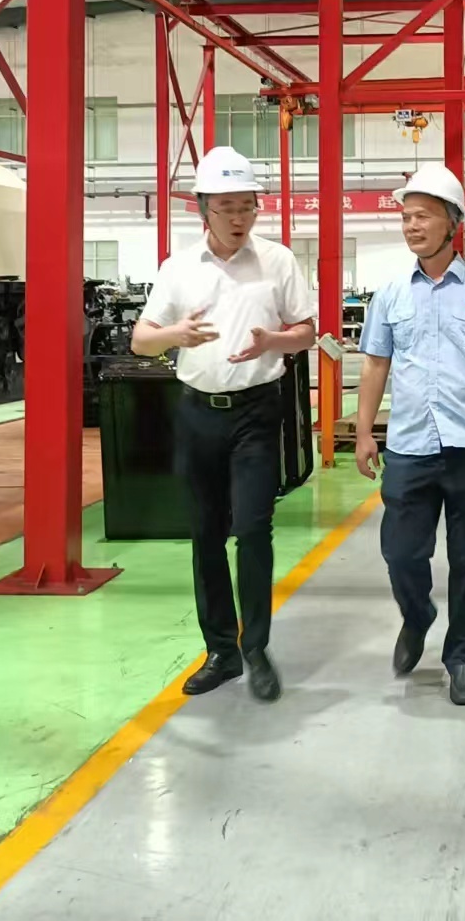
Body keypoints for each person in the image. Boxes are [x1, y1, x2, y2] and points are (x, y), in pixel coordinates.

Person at [131, 147, 317, 703]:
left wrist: (272, 341)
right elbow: (141, 341)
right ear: (203, 209)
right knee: (206, 532)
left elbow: (307, 332)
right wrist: (175, 336)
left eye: (247, 206)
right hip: (196, 414)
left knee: (253, 529)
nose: (239, 218)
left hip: (256, 412)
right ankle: (221, 651)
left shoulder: (277, 261)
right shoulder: (179, 268)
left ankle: (255, 647)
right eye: (228, 207)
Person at [355, 164, 465, 708]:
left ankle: (464, 658)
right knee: (400, 553)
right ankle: (418, 615)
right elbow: (375, 365)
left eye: (424, 216)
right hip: (409, 445)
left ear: (454, 223)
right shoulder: (391, 293)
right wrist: (364, 432)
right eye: (407, 217)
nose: (412, 226)